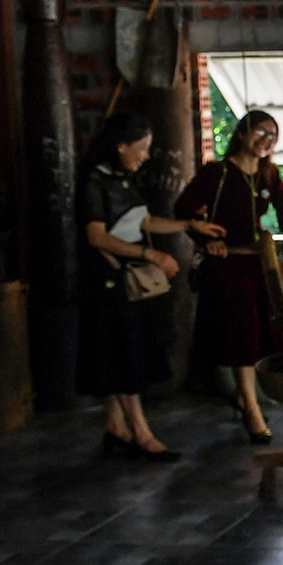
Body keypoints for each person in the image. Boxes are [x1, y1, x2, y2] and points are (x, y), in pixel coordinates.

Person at [77, 110, 225, 461]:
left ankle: (117, 427)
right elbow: (96, 237)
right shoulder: (93, 183)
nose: (144, 156)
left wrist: (189, 226)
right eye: (140, 148)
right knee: (124, 356)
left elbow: (145, 220)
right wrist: (151, 255)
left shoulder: (124, 180)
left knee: (119, 355)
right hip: (110, 279)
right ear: (119, 145)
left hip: (127, 279)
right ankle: (141, 433)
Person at [174, 109, 283, 443]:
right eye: (261, 132)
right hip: (228, 266)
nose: (266, 141)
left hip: (257, 265)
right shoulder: (217, 172)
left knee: (263, 334)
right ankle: (250, 407)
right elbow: (184, 210)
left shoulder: (268, 174)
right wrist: (208, 239)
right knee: (242, 336)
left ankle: (245, 398)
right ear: (243, 132)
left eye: (273, 137)